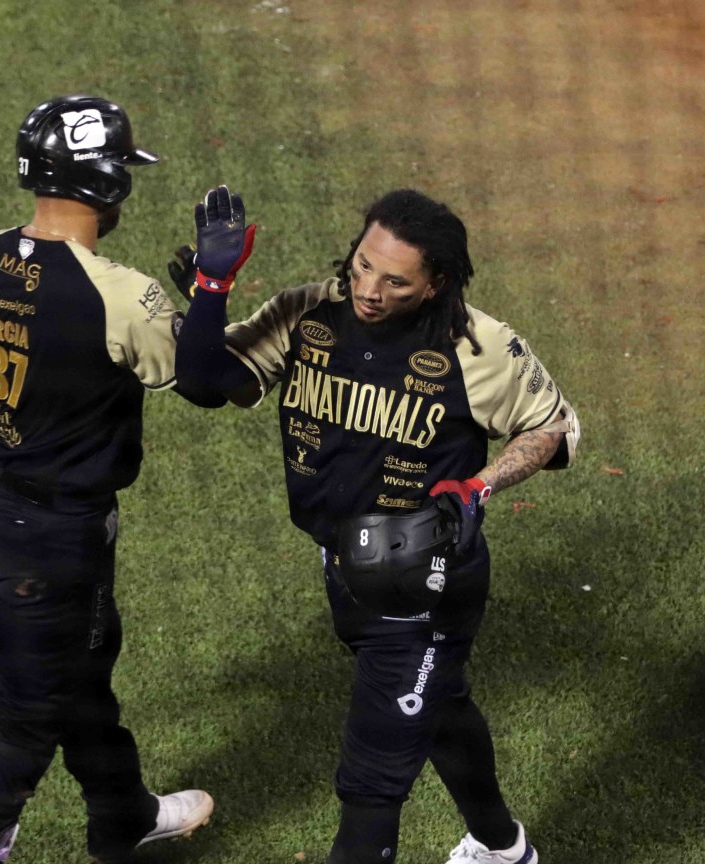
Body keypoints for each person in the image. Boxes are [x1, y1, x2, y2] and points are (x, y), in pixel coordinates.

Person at [172, 186, 578, 863]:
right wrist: (211, 292)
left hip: (425, 585)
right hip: (343, 566)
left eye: (395, 281)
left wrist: (480, 484)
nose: (369, 289)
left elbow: (552, 427)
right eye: (363, 264)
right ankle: (503, 848)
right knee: (441, 707)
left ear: (435, 283)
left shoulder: (479, 345)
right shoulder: (307, 312)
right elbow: (205, 383)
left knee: (371, 781)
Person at [0, 95, 221, 864]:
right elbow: (205, 380)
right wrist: (210, 298)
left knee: (84, 663)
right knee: (24, 720)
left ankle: (123, 815)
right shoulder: (124, 295)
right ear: (105, 182)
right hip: (56, 536)